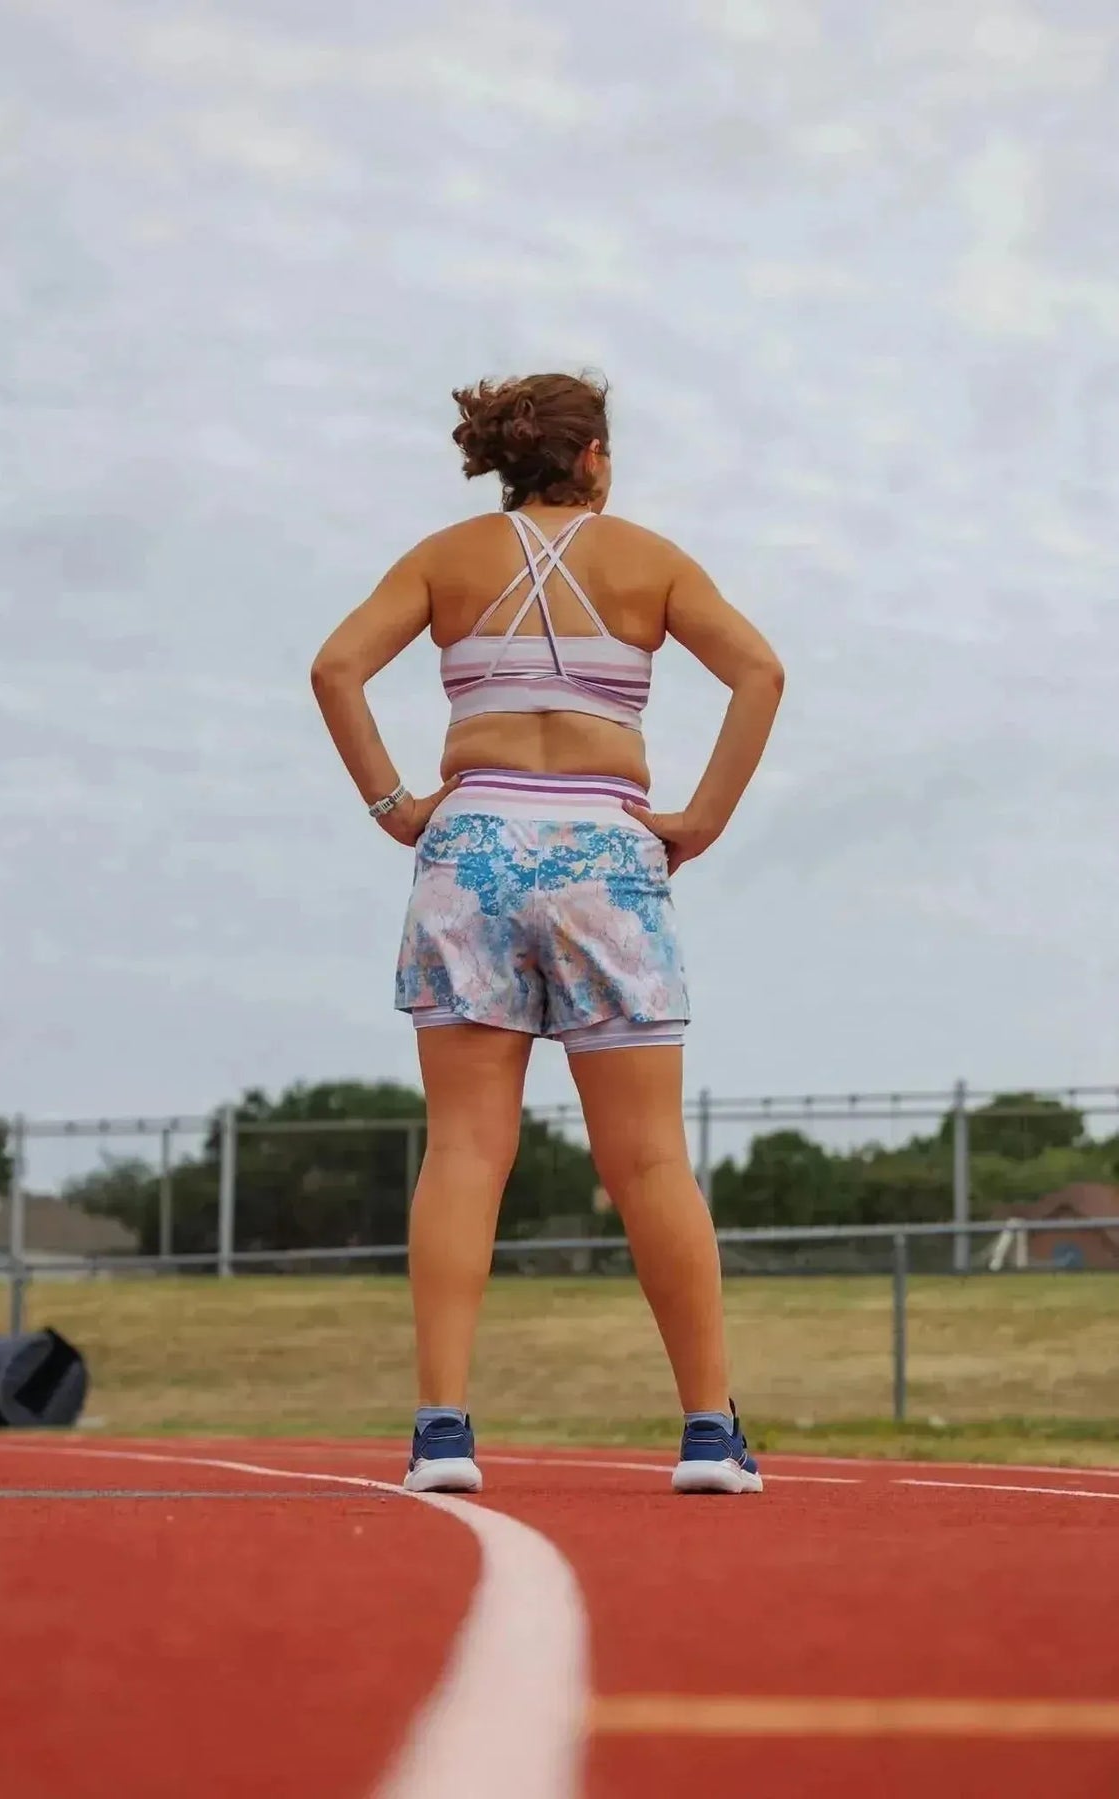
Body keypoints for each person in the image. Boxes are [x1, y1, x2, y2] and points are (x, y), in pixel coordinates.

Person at [311, 373, 784, 1495]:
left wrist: (392, 804)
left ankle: (442, 1432)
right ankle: (709, 1434)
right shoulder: (649, 560)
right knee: (650, 1157)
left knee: (467, 1150)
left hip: (468, 851)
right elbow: (760, 670)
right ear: (596, 459)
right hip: (605, 856)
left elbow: (335, 666)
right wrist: (702, 821)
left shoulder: (444, 556)